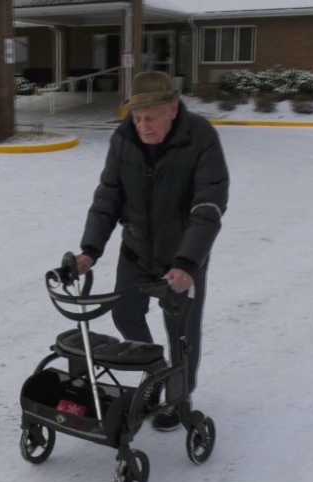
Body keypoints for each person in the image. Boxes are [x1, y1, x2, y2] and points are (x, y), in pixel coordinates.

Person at [75, 70, 229, 432]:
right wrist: (90, 250)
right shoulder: (123, 139)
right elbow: (108, 198)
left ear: (172, 109)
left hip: (182, 257)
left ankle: (180, 399)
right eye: (137, 117)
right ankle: (156, 373)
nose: (142, 125)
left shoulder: (201, 138)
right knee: (126, 315)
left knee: (183, 333)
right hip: (136, 251)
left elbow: (208, 206)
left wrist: (188, 262)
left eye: (151, 117)